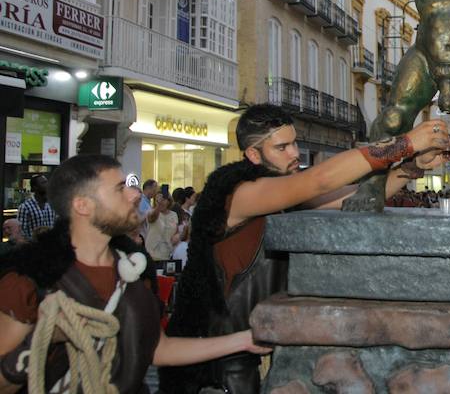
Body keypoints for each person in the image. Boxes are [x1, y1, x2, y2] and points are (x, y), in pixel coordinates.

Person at [161, 104, 449, 394]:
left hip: (257, 356)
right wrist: (404, 144)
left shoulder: (280, 193)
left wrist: (410, 168)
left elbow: (360, 197)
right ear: (253, 154)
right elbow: (318, 180)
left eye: (294, 143)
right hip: (221, 373)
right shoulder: (240, 193)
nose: (295, 153)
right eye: (282, 147)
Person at [0, 155, 271, 393]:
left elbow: (157, 349)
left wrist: (244, 340)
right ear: (82, 205)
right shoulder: (31, 280)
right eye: (120, 189)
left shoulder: (134, 271)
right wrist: (42, 338)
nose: (135, 195)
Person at [16, 174, 56, 241]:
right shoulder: (25, 207)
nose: (47, 185)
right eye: (43, 183)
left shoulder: (52, 205)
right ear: (35, 187)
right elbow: (21, 232)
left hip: (50, 246)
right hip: (33, 247)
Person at [145, 191, 179, 261]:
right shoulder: (151, 212)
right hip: (152, 255)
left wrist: (177, 236)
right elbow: (152, 217)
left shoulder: (174, 215)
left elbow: (176, 231)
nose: (161, 202)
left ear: (168, 201)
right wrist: (159, 206)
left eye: (163, 200)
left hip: (167, 253)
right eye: (157, 200)